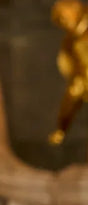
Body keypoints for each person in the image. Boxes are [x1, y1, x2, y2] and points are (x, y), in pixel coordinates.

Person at [49, 0, 88, 144]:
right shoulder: (70, 41)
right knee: (73, 92)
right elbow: (67, 63)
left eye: (64, 17)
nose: (64, 22)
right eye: (60, 20)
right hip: (83, 79)